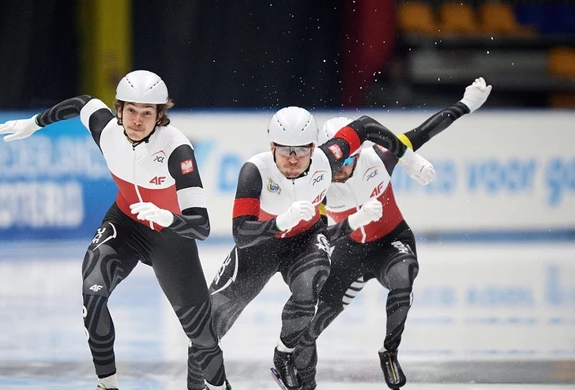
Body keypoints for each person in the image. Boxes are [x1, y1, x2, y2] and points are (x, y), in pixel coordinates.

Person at [0, 70, 231, 390]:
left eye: (147, 113)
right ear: (119, 110)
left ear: (160, 116)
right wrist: (35, 123)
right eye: (131, 110)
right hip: (124, 224)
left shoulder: (178, 149)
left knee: (201, 336)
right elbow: (81, 104)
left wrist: (167, 217)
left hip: (170, 237)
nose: (137, 120)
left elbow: (201, 225)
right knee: (92, 293)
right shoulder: (106, 129)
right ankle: (108, 386)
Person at [187, 106, 436, 390]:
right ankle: (197, 385)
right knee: (209, 325)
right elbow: (241, 233)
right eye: (284, 151)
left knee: (311, 288)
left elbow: (365, 125)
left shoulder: (328, 160)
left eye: (301, 151)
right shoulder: (254, 171)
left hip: (304, 242)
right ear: (271, 147)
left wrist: (409, 159)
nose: (293, 159)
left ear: (314, 148)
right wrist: (280, 222)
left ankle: (287, 358)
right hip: (259, 248)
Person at [292, 77, 493, 390]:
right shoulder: (320, 188)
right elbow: (319, 239)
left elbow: (424, 132)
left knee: (404, 277)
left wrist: (465, 105)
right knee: (313, 325)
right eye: (337, 162)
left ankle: (390, 352)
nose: (342, 168)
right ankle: (302, 375)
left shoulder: (382, 155)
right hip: (351, 251)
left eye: (350, 159)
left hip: (392, 242)